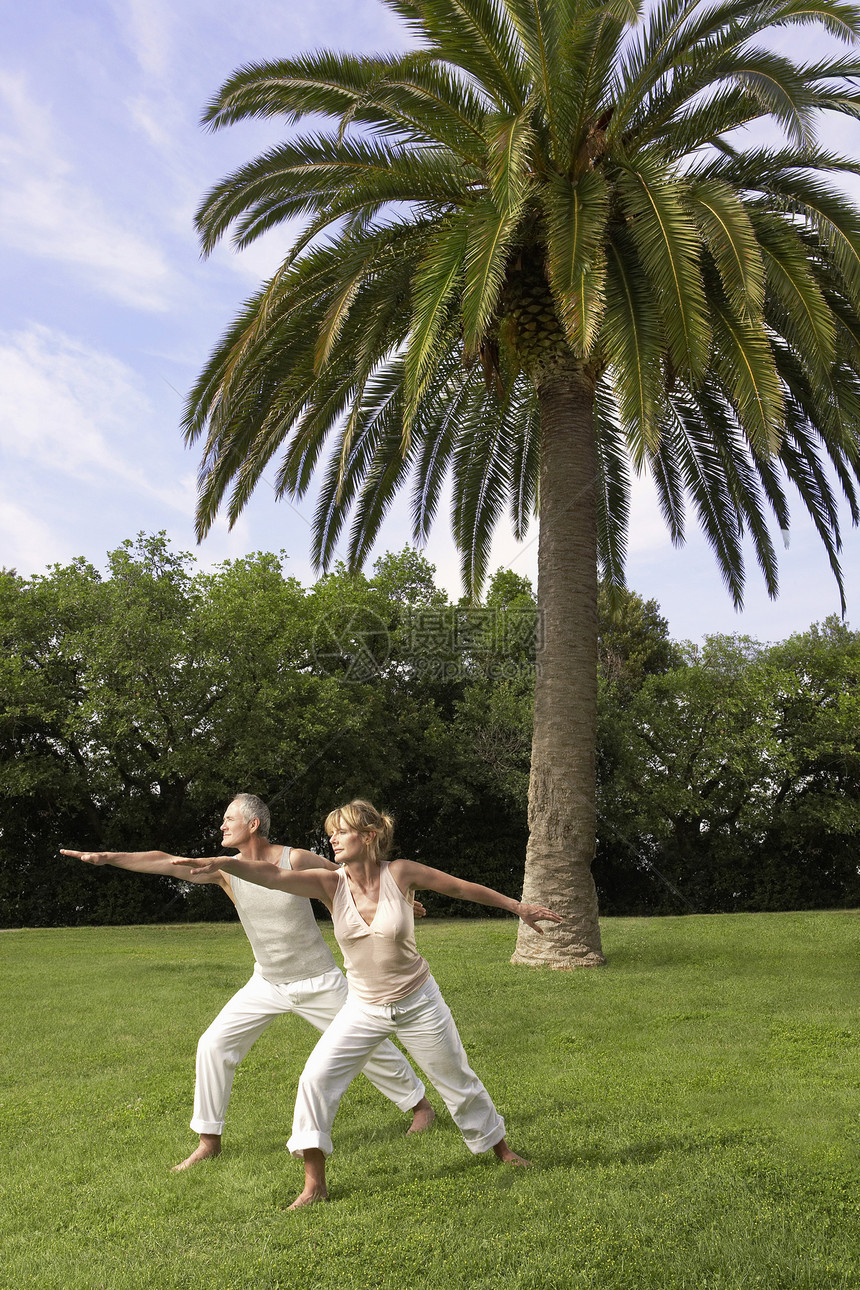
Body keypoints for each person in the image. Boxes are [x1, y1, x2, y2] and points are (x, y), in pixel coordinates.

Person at [173, 798, 562, 1207]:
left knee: (457, 1082)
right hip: (363, 1007)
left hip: (418, 1002)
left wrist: (518, 907)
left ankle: (501, 1150)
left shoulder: (402, 873)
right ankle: (314, 1184)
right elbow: (270, 875)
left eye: (341, 832)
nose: (333, 840)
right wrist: (224, 863)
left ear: (369, 836)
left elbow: (461, 888)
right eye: (331, 834)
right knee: (315, 1079)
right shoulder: (331, 883)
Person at [61, 793, 434, 1171]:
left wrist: (396, 901)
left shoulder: (296, 859)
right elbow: (164, 861)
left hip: (318, 979)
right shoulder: (225, 869)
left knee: (366, 1047)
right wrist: (107, 858)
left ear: (253, 825)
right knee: (213, 1045)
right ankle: (209, 1140)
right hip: (267, 982)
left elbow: (352, 882)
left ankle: (420, 1106)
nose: (221, 825)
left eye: (228, 819)